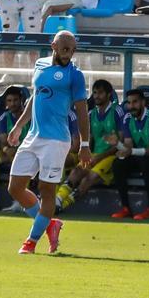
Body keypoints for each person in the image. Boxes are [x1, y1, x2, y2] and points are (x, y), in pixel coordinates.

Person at [55, 79, 124, 212]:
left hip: (112, 157)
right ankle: (57, 200)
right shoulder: (91, 114)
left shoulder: (117, 111)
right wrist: (87, 154)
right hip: (95, 155)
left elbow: (119, 143)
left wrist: (99, 157)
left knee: (88, 178)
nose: (97, 96)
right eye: (94, 93)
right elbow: (89, 139)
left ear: (109, 94)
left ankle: (62, 206)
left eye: (100, 93)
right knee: (77, 171)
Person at [110, 88, 149, 220]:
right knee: (118, 164)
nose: (131, 106)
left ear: (143, 102)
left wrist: (130, 151)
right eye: (129, 103)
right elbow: (129, 145)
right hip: (140, 155)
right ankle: (126, 208)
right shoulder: (127, 118)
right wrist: (117, 144)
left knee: (147, 163)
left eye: (135, 102)